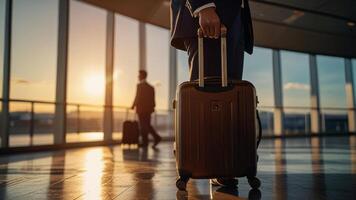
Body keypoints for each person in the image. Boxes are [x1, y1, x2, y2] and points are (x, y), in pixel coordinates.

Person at [170, 0, 254, 187]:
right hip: (210, 12)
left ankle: (222, 163)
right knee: (208, 95)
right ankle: (210, 164)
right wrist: (203, 6)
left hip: (233, 17)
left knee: (226, 94)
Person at [131, 70, 162, 148]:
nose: (138, 76)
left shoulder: (139, 86)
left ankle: (146, 142)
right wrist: (153, 107)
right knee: (147, 125)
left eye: (139, 75)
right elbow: (153, 99)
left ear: (142, 76)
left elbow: (137, 97)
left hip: (141, 109)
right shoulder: (151, 87)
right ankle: (155, 138)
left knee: (143, 125)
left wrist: (133, 105)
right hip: (148, 110)